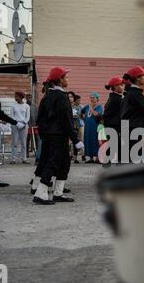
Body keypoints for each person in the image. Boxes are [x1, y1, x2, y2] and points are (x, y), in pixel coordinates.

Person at [33, 67, 80, 205]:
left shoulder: (47, 96)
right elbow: (67, 120)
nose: (67, 79)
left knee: (64, 162)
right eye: (65, 77)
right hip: (59, 136)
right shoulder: (61, 97)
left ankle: (58, 193)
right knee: (54, 163)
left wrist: (44, 135)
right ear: (59, 80)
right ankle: (41, 193)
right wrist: (76, 139)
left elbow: (40, 119)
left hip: (50, 136)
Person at [103, 76, 124, 164]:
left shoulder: (112, 98)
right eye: (121, 85)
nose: (123, 86)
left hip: (110, 126)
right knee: (117, 146)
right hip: (113, 126)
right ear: (115, 87)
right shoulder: (117, 99)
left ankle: (107, 164)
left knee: (114, 146)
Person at [82, 92, 103, 163]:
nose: (92, 99)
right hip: (87, 127)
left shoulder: (99, 107)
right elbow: (81, 112)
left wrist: (91, 107)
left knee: (95, 140)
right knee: (88, 140)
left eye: (93, 97)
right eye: (91, 97)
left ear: (97, 99)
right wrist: (83, 118)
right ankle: (90, 157)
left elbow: (96, 114)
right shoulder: (87, 106)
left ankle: (97, 157)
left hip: (95, 127)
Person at [10, 92, 30, 164]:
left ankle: (24, 158)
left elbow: (27, 116)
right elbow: (12, 116)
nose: (15, 98)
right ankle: (13, 158)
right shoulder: (13, 106)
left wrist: (24, 122)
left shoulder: (26, 106)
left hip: (24, 125)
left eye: (16, 96)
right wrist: (16, 123)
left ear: (21, 97)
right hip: (15, 125)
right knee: (14, 142)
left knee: (23, 143)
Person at [26, 93, 39, 160]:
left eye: (30, 98)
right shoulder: (25, 105)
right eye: (27, 98)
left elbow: (37, 115)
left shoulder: (34, 106)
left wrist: (37, 123)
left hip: (34, 125)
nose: (29, 99)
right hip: (27, 125)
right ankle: (26, 152)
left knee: (36, 138)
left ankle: (37, 152)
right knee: (27, 139)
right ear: (26, 98)